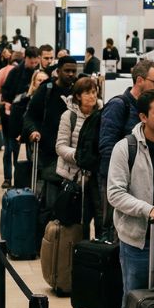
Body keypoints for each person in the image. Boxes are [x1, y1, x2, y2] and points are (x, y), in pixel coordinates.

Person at [106, 89, 154, 308]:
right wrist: (149, 210)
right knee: (133, 305)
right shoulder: (125, 148)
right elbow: (115, 194)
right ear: (143, 117)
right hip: (137, 241)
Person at [98, 60, 154, 231]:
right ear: (140, 80)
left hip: (142, 182)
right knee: (115, 230)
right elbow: (107, 146)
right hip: (118, 181)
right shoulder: (119, 105)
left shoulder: (148, 107)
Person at [24, 56, 79, 216]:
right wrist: (32, 131)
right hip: (48, 153)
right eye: (67, 71)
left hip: (71, 154)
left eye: (73, 71)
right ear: (58, 71)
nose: (70, 74)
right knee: (50, 202)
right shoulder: (46, 89)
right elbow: (30, 115)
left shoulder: (77, 91)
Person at [54, 76, 101, 229]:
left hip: (96, 176)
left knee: (100, 218)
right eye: (88, 93)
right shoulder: (69, 116)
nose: (92, 96)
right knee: (78, 222)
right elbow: (60, 146)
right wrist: (79, 156)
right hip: (74, 177)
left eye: (94, 92)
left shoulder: (103, 114)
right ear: (78, 96)